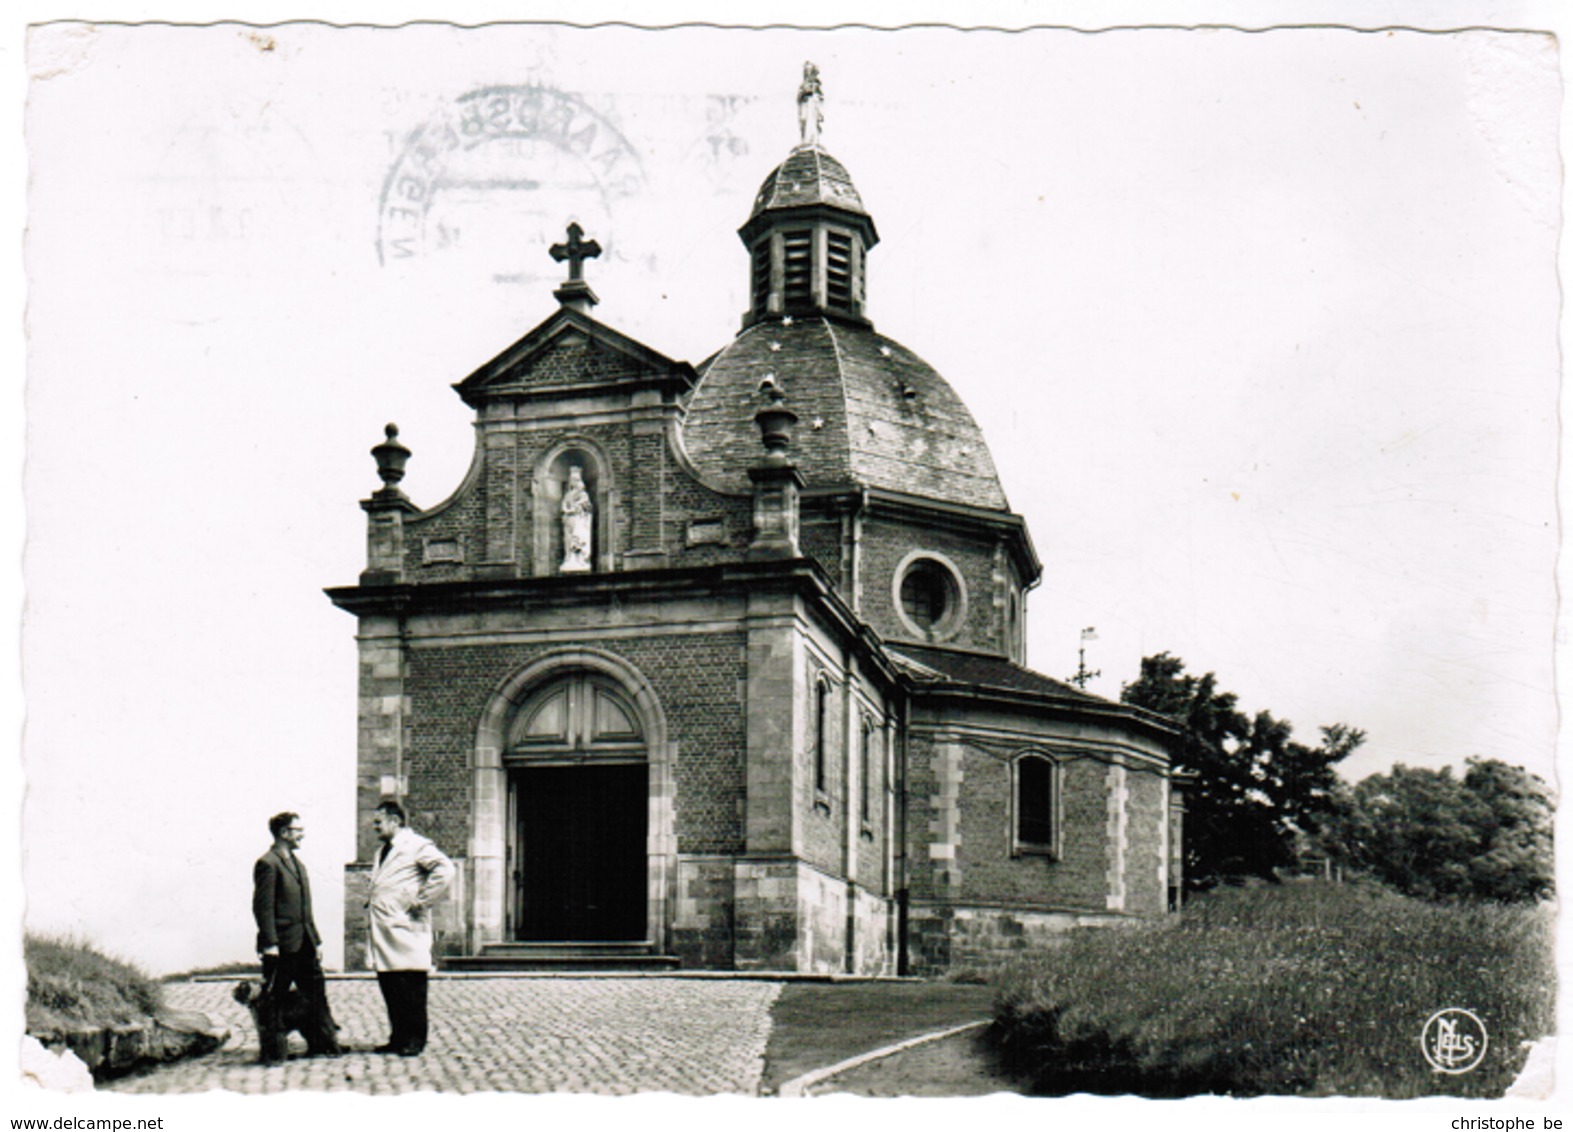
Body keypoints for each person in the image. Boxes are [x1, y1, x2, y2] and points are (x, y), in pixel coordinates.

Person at [367, 800, 455, 1056]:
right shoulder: (382, 851)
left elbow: (445, 869)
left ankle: (415, 1040)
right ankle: (398, 1037)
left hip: (406, 929)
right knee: (391, 986)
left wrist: (423, 900)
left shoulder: (416, 845)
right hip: (386, 930)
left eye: (378, 822)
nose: (375, 827)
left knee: (411, 987)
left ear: (395, 821)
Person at [252, 812, 340, 1063]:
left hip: (305, 943)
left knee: (316, 995)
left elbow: (305, 907)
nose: (302, 834)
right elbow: (263, 907)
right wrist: (270, 944)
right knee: (274, 1000)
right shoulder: (268, 863)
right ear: (284, 833)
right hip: (281, 946)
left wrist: (316, 940)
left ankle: (323, 1043)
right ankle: (273, 1051)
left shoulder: (297, 864)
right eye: (297, 829)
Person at [560, 464, 593, 572]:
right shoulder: (568, 495)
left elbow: (587, 507)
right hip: (569, 519)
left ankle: (580, 560)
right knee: (568, 539)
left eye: (577, 479)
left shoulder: (583, 494)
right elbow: (564, 505)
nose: (575, 481)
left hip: (579, 520)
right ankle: (570, 558)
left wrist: (579, 507)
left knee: (578, 538)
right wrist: (568, 510)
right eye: (573, 479)